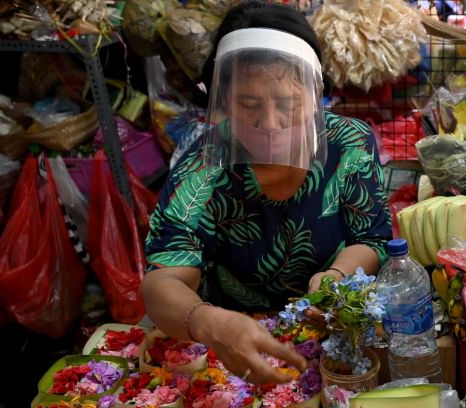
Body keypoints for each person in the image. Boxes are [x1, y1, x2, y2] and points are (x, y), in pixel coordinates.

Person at [141, 1, 392, 385]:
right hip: (230, 350)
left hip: (325, 337)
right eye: (248, 104)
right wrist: (207, 321)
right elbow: (162, 283)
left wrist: (336, 276)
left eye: (289, 104)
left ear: (315, 94)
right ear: (223, 101)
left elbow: (370, 239)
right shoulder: (202, 169)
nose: (271, 124)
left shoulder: (350, 145)